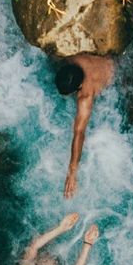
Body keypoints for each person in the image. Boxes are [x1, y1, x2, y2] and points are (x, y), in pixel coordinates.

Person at [54, 53, 115, 199]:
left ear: (80, 87)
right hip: (110, 60)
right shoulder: (74, 60)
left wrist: (72, 171)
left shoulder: (85, 96)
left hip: (114, 78)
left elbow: (79, 132)